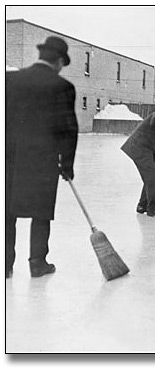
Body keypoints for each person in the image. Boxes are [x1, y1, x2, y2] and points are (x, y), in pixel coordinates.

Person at [6, 36, 79, 278]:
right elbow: (68, 130)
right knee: (41, 212)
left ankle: (4, 264)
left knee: (7, 211)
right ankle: (38, 262)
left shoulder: (11, 79)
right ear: (59, 61)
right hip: (43, 159)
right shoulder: (63, 87)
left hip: (9, 158)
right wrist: (67, 164)